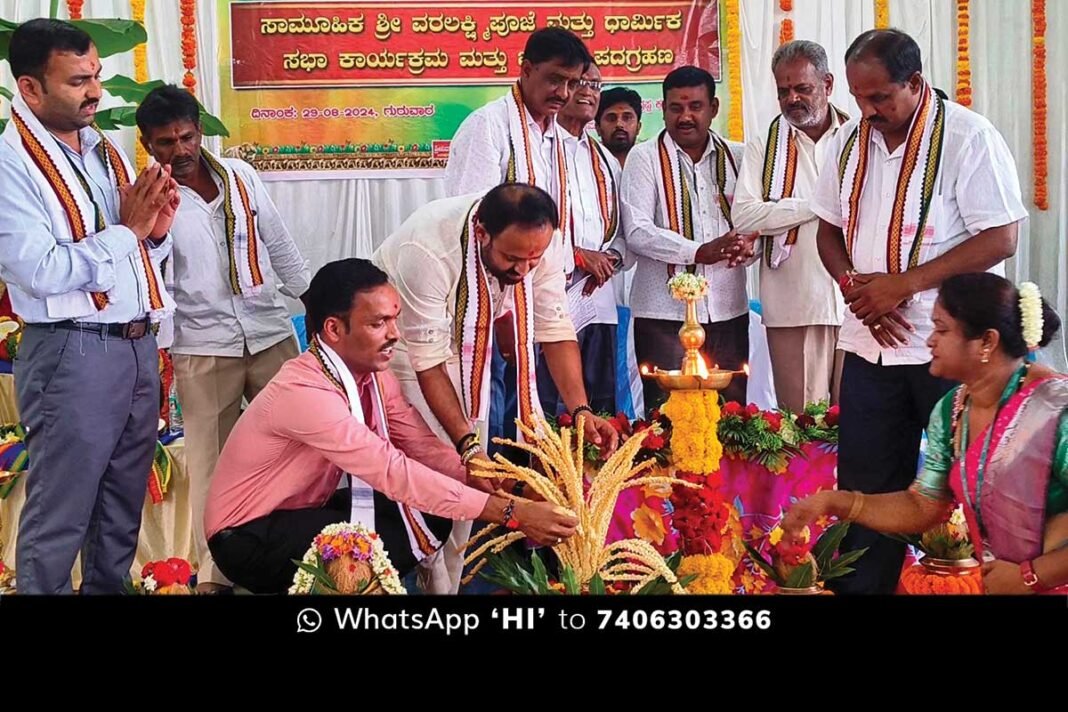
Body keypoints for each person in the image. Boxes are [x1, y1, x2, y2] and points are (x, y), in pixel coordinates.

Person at [204, 259, 579, 594]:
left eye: (395, 318)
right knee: (394, 521)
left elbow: (421, 446)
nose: (395, 334)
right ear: (334, 329)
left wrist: (504, 481)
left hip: (299, 513)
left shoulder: (373, 375)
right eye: (378, 322)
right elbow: (390, 469)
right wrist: (510, 512)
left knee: (429, 512)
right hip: (248, 538)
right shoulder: (303, 390)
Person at [810, 29, 1028, 593]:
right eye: (859, 98)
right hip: (867, 347)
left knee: (978, 488)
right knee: (867, 489)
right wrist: (857, 288)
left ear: (915, 82)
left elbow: (1001, 237)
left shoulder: (968, 137)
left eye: (880, 97)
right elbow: (827, 230)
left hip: (953, 352)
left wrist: (903, 285)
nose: (868, 110)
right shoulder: (843, 143)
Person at [0, 19, 178, 594]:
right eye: (77, 81)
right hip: (72, 351)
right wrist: (130, 231)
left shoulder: (104, 148)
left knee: (121, 506)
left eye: (97, 75)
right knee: (62, 513)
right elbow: (42, 271)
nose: (95, 91)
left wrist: (153, 234)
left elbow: (128, 250)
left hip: (134, 344)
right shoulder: (11, 166)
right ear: (29, 89)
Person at [373, 183, 619, 592]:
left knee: (475, 477)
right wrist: (466, 446)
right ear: (482, 232)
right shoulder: (427, 248)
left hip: (473, 347)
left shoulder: (545, 243)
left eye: (533, 259)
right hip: (403, 353)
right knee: (439, 475)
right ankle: (427, 583)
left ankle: (449, 582)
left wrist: (581, 410)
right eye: (512, 258)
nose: (523, 270)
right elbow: (428, 363)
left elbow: (555, 326)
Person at [783, 274, 1068, 595]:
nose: (930, 340)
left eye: (942, 329)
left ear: (987, 342)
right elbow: (923, 507)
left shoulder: (1056, 409)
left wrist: (1031, 576)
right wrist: (834, 502)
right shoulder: (953, 410)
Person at [136, 84, 311, 594]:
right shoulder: (145, 197)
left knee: (298, 448)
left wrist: (320, 308)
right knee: (212, 466)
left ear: (200, 130)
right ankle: (217, 576)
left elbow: (280, 247)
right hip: (202, 346)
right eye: (165, 142)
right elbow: (150, 274)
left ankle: (292, 560)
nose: (180, 150)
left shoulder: (242, 177)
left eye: (187, 136)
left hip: (270, 332)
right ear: (148, 145)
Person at [620, 65, 754, 409]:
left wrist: (747, 246)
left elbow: (755, 223)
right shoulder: (644, 158)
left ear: (713, 108)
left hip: (728, 310)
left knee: (732, 416)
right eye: (676, 108)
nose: (685, 117)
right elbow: (636, 230)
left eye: (695, 106)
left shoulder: (739, 157)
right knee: (667, 416)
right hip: (662, 315)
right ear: (662, 110)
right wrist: (698, 251)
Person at [733, 40, 847, 413]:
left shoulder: (859, 137)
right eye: (784, 91)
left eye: (803, 88)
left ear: (828, 84)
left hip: (860, 306)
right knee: (804, 428)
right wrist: (817, 203)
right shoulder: (765, 145)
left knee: (861, 426)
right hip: (794, 302)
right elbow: (745, 215)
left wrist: (786, 210)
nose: (792, 98)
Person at [535, 61, 628, 417]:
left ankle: (603, 476)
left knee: (600, 407)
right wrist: (576, 255)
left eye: (596, 84)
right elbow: (525, 226)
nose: (589, 90)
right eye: (580, 82)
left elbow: (622, 232)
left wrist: (609, 261)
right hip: (550, 299)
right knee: (548, 408)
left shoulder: (605, 159)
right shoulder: (539, 149)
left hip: (599, 301)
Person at [595, 86, 643, 167]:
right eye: (611, 118)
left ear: (638, 127)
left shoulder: (650, 164)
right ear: (598, 128)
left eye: (627, 118)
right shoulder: (586, 165)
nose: (619, 124)